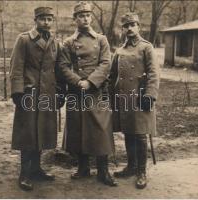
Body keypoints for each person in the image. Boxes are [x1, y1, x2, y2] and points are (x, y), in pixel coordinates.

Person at [58, 1, 117, 187]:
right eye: (81, 15)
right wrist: (78, 82)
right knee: (79, 128)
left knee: (100, 129)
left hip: (96, 91)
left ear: (91, 17)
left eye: (87, 15)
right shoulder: (68, 42)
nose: (85, 18)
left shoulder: (101, 39)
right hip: (76, 92)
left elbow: (106, 63)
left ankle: (103, 171)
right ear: (75, 19)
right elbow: (63, 66)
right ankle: (83, 168)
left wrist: (90, 82)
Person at [9, 6, 64, 191]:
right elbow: (16, 67)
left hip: (47, 94)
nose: (46, 22)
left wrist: (60, 92)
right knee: (28, 134)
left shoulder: (55, 42)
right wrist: (17, 92)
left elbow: (58, 70)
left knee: (41, 131)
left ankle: (37, 169)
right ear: (35, 20)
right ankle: (24, 173)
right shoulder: (24, 39)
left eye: (49, 19)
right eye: (42, 19)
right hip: (29, 94)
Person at [110, 13, 160, 189]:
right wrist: (110, 96)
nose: (130, 28)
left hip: (140, 98)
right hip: (124, 98)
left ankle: (141, 171)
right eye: (126, 25)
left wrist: (150, 95)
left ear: (139, 26)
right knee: (129, 132)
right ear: (122, 29)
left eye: (133, 24)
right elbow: (112, 75)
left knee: (140, 134)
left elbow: (154, 74)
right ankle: (131, 167)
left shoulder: (146, 48)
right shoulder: (119, 50)